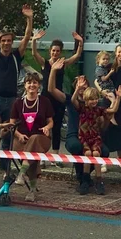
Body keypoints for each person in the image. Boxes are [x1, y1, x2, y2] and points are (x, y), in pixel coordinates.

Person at [0, 5, 34, 170]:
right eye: (3, 40)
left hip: (11, 100)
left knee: (8, 135)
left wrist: (29, 19)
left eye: (9, 40)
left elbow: (27, 37)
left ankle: (5, 170)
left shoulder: (16, 56)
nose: (6, 43)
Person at [47, 59, 112, 194]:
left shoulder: (94, 104)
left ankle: (88, 177)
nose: (82, 87)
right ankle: (83, 179)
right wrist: (53, 70)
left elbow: (103, 126)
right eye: (79, 85)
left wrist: (108, 118)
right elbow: (51, 89)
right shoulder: (71, 100)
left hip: (92, 137)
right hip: (74, 136)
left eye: (84, 85)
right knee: (78, 147)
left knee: (104, 151)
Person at [31, 30, 83, 156]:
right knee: (43, 126)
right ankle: (42, 154)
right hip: (45, 98)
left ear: (60, 52)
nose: (55, 53)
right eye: (53, 50)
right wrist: (34, 40)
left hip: (58, 98)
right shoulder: (45, 63)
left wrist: (80, 42)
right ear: (50, 51)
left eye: (58, 51)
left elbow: (76, 56)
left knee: (57, 126)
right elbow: (34, 53)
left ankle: (55, 154)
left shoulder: (62, 63)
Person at [73, 83, 121, 195]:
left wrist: (118, 98)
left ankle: (98, 180)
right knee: (87, 154)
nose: (94, 101)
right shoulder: (82, 108)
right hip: (84, 137)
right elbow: (73, 101)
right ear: (86, 99)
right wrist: (77, 89)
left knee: (96, 154)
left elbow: (113, 110)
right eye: (92, 99)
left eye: (96, 99)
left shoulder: (99, 110)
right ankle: (85, 180)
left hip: (95, 137)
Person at [10, 72, 54, 202]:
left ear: (38, 85)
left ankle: (22, 173)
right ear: (25, 85)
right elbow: (11, 123)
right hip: (21, 140)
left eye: (34, 82)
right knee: (32, 157)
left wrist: (47, 127)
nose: (32, 85)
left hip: (41, 138)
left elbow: (51, 121)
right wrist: (18, 134)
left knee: (34, 139)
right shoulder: (18, 103)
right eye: (29, 82)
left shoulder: (45, 101)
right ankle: (32, 191)